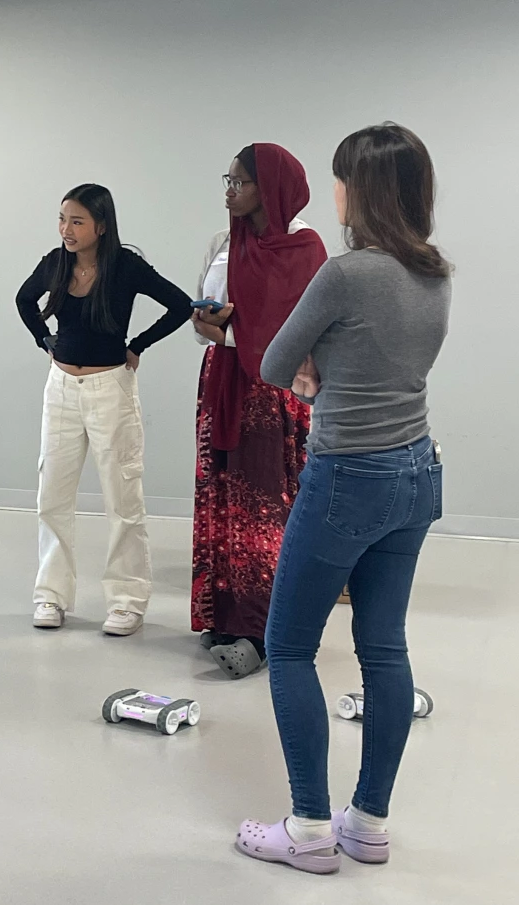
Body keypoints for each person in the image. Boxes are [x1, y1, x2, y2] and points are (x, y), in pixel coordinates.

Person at [237, 123, 451, 873]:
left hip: (346, 477)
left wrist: (307, 371)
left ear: (359, 192)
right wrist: (320, 369)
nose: (332, 193)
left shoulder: (346, 272)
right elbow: (383, 361)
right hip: (416, 474)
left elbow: (271, 362)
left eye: (338, 180)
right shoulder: (434, 273)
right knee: (384, 647)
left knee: (291, 645)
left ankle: (305, 829)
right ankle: (366, 822)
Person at [16, 184, 193, 635]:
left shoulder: (126, 266)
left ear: (101, 225)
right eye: (62, 219)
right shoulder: (56, 263)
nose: (66, 229)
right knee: (52, 495)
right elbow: (23, 300)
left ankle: (127, 600)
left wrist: (138, 346)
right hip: (60, 389)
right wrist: (44, 340)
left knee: (123, 497)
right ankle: (51, 596)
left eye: (76, 221)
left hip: (110, 388)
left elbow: (179, 305)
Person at [189, 145, 327, 678]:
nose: (230, 190)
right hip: (222, 383)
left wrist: (230, 331)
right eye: (228, 179)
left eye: (241, 181)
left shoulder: (305, 248)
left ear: (270, 187)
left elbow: (300, 332)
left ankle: (263, 628)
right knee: (220, 494)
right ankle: (223, 616)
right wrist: (209, 326)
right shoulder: (226, 243)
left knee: (265, 508)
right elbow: (204, 319)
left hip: (272, 391)